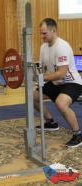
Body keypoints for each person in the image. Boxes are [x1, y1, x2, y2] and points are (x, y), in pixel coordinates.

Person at [34, 18, 82, 148]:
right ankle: (50, 122)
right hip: (55, 83)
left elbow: (61, 73)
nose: (42, 36)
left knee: (61, 103)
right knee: (33, 96)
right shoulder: (43, 47)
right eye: (41, 33)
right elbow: (42, 68)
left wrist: (42, 77)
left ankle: (78, 134)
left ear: (53, 30)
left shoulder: (62, 47)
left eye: (44, 33)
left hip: (71, 82)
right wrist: (36, 75)